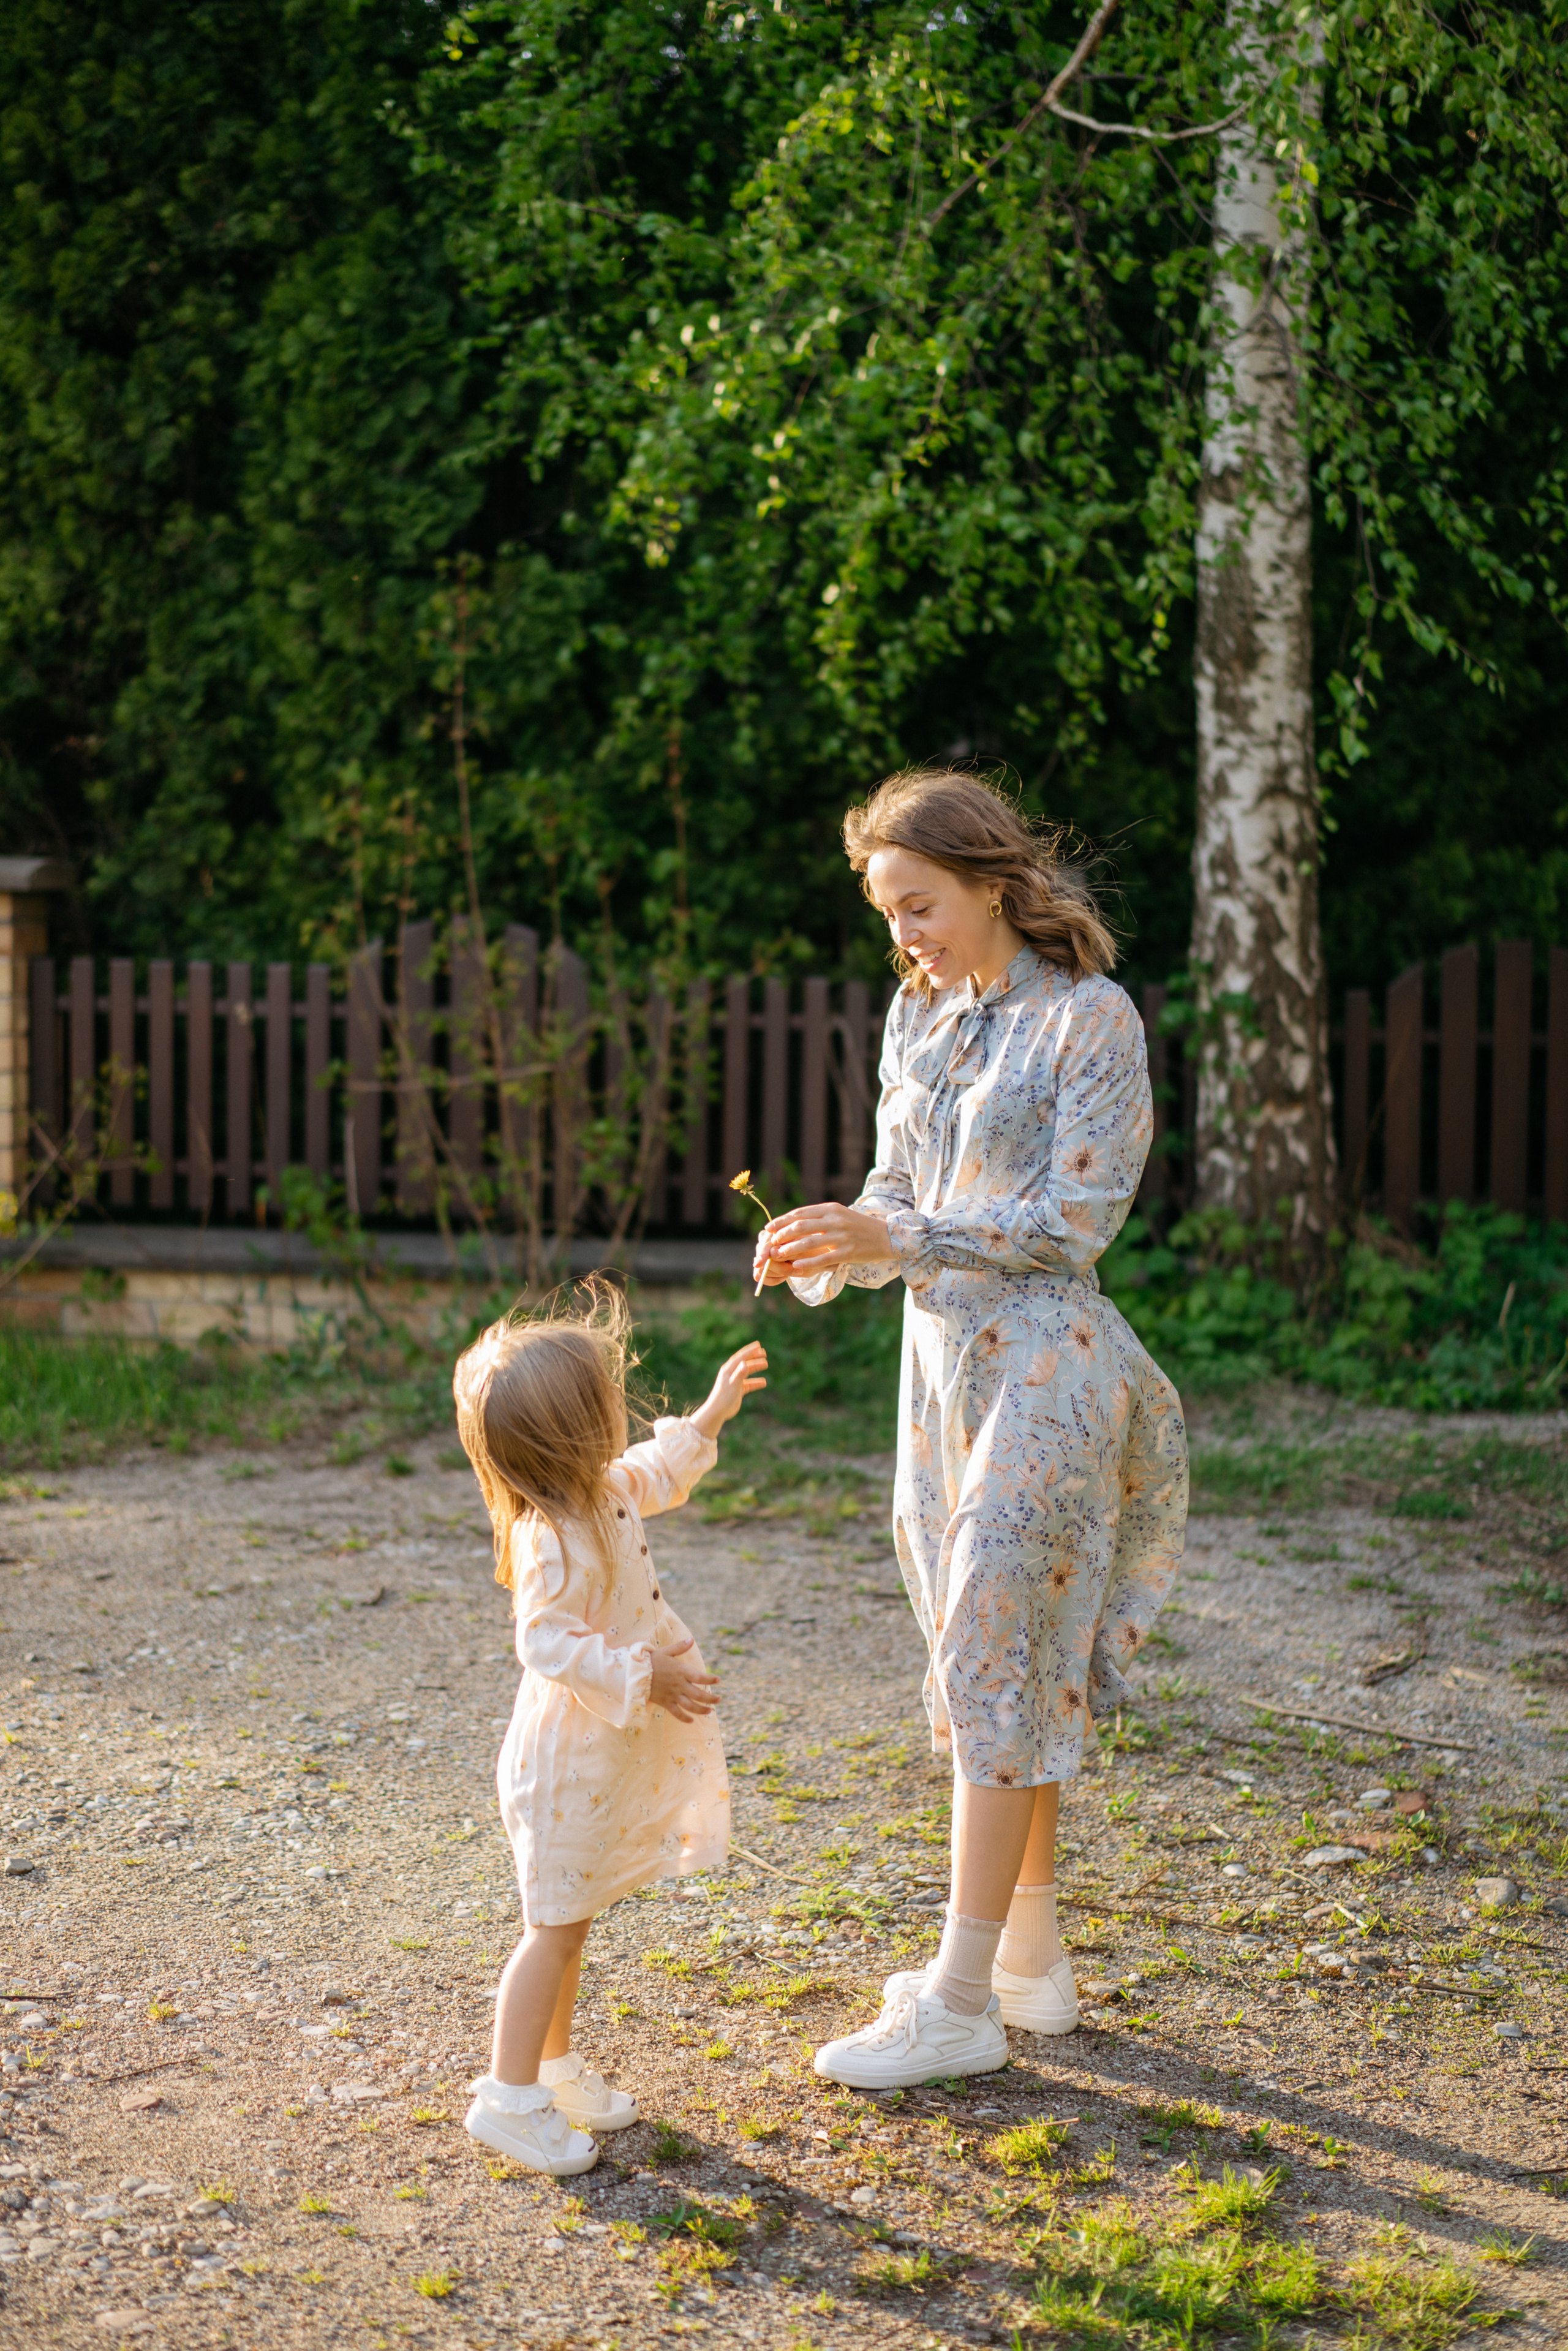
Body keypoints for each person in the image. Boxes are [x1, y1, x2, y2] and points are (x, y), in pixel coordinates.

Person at [755, 769, 1188, 2090]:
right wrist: (841, 1240)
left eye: (919, 905)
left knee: (999, 1662)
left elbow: (1074, 1222)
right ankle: (1029, 1963)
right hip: (936, 1374)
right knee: (993, 1661)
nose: (905, 936)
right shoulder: (917, 1012)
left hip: (1048, 1374)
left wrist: (900, 1232)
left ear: (989, 880)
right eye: (887, 913)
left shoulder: (1088, 1021)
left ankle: (954, 2000)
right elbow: (900, 1189)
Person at [452, 1286, 767, 2174]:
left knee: (573, 1919)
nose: (617, 1410)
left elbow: (659, 1471)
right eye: (604, 1403)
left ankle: (549, 2068)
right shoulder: (553, 1533)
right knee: (550, 1928)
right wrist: (644, 1673)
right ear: (566, 1435)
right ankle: (508, 2097)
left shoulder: (601, 1487)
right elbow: (543, 1637)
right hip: (563, 1764)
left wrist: (709, 1412)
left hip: (594, 1761)